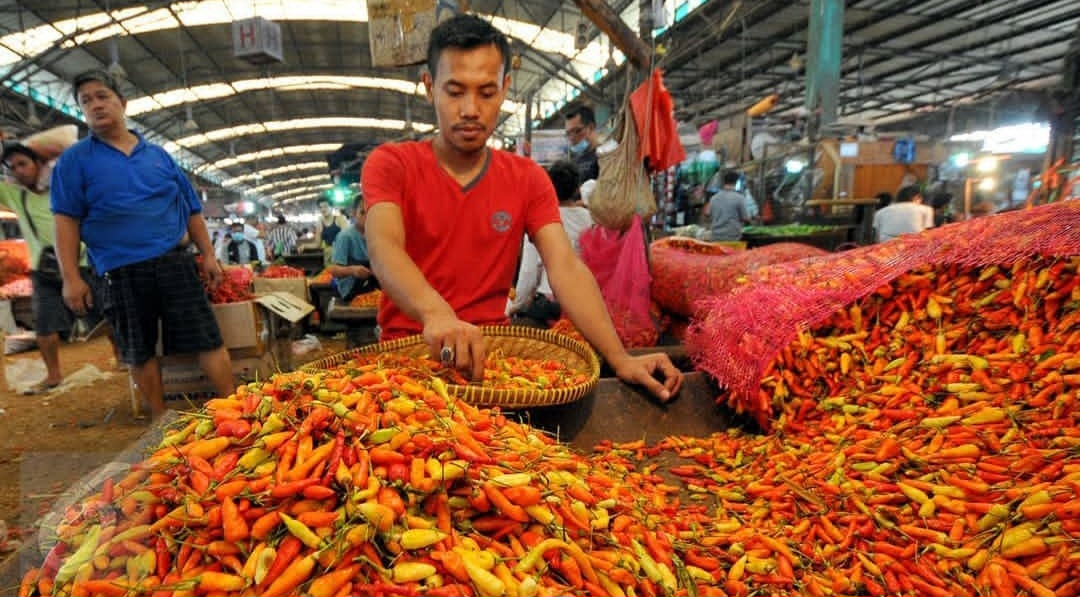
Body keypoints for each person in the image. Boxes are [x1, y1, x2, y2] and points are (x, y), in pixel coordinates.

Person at [361, 14, 682, 402]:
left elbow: (565, 266)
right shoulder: (392, 164)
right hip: (405, 363)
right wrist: (436, 314)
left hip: (495, 365)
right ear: (429, 88)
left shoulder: (526, 178)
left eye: (486, 92)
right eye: (454, 90)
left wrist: (619, 357)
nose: (470, 109)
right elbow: (384, 247)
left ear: (505, 89)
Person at [50, 69, 234, 418]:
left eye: (102, 96)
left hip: (174, 261)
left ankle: (233, 406)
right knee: (138, 349)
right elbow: (66, 220)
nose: (95, 105)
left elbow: (192, 210)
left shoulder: (159, 156)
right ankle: (159, 417)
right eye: (85, 101)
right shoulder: (74, 161)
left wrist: (208, 255)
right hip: (120, 270)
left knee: (206, 337)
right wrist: (70, 277)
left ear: (123, 102)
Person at [1, 141, 116, 393]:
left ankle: (123, 358)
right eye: (12, 167)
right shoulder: (15, 195)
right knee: (44, 324)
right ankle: (53, 375)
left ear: (38, 164)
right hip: (44, 271)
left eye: (23, 163)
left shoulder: (64, 187)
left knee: (109, 314)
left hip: (84, 263)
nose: (18, 170)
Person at [509, 160, 593, 326]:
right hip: (585, 302)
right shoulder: (590, 219)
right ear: (577, 189)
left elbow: (529, 272)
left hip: (549, 306)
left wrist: (516, 305)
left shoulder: (540, 221)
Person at [328, 196, 378, 301]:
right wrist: (352, 270)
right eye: (362, 212)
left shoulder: (376, 235)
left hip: (371, 284)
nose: (367, 216)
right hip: (351, 289)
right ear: (353, 214)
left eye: (371, 212)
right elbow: (333, 270)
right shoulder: (346, 237)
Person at [704, 171, 750, 241]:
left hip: (715, 236)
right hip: (732, 237)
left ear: (724, 182)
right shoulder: (739, 198)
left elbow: (707, 213)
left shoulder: (714, 198)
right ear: (736, 182)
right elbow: (745, 218)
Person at [565, 104, 600, 182]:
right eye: (568, 133)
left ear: (591, 127)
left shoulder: (605, 157)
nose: (572, 138)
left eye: (577, 131)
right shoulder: (573, 163)